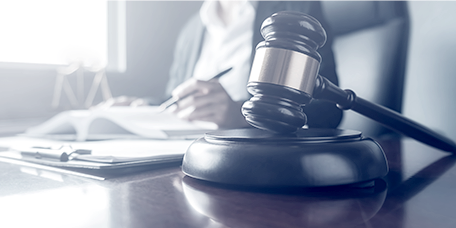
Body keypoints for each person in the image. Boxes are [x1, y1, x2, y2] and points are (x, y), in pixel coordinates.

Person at [99, 1, 342, 130]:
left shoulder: (296, 8)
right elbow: (177, 100)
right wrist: (143, 107)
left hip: (252, 160)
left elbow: (327, 111)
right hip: (183, 158)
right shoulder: (191, 30)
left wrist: (241, 115)